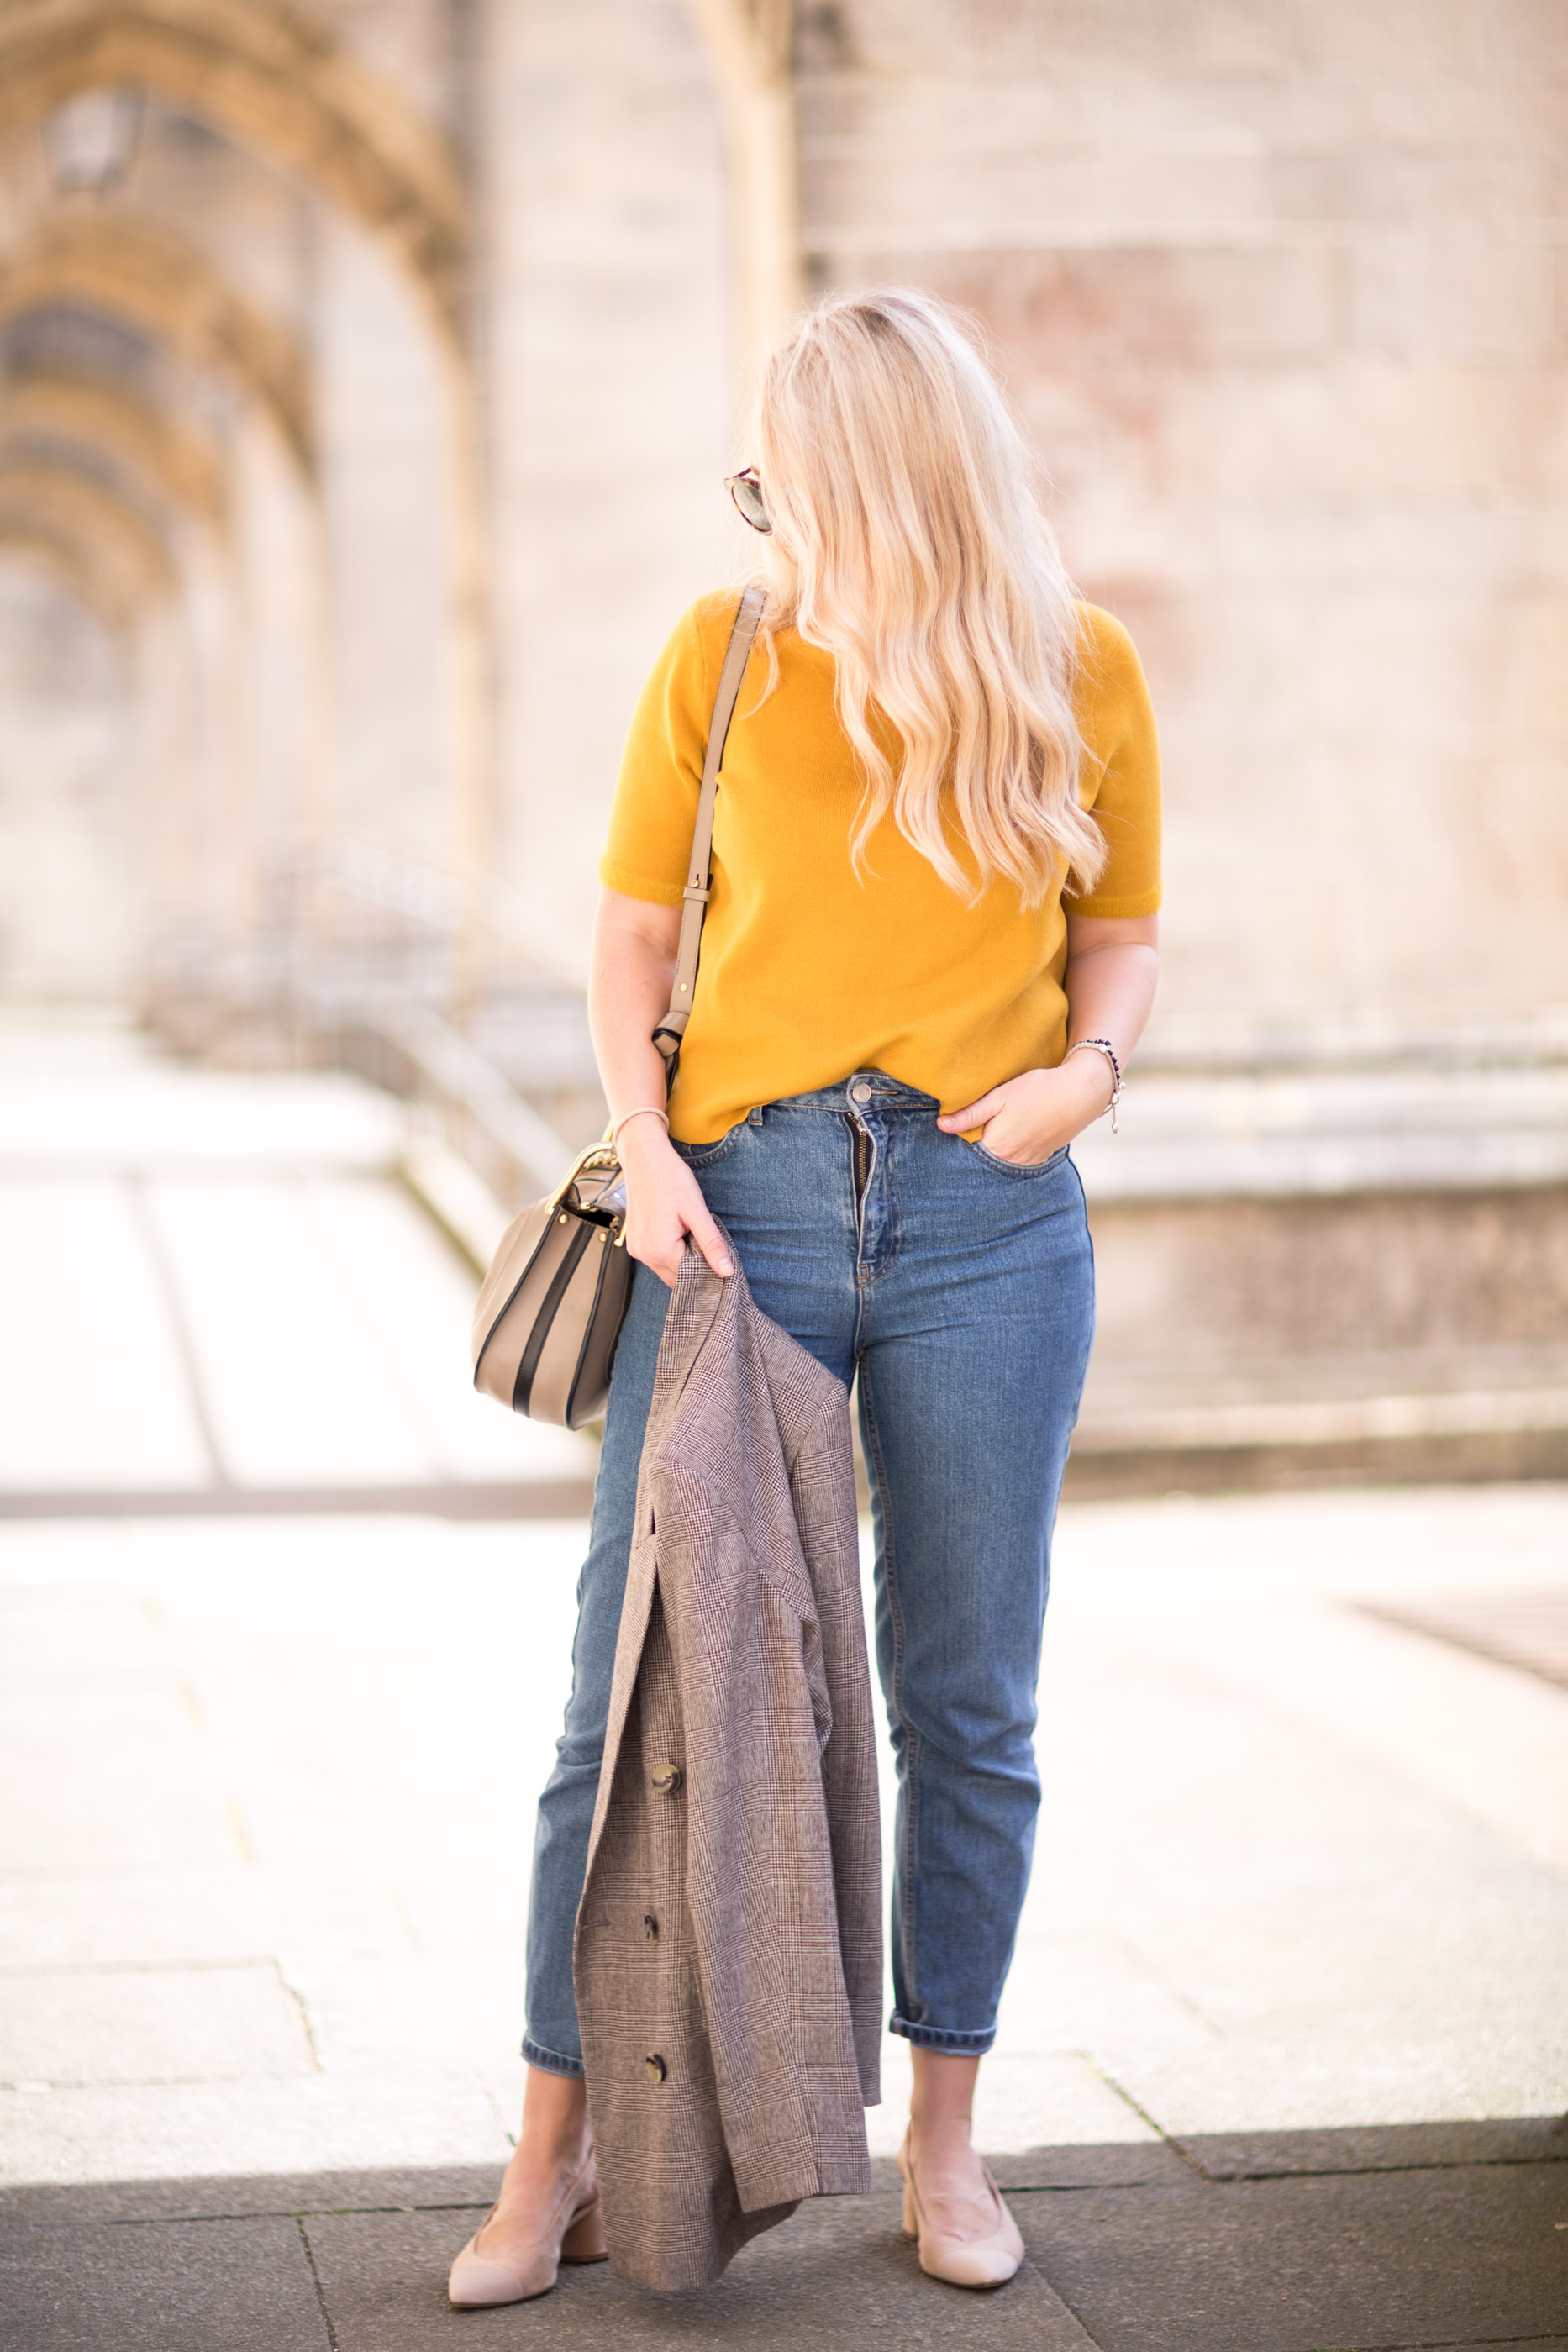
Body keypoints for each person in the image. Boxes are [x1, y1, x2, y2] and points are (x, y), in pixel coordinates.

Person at [450, 286, 1160, 2304]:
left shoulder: (1076, 665)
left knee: (969, 1701)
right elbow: (622, 929)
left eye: (782, 473)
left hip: (986, 1215)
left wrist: (1085, 1082)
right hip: (728, 1214)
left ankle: (943, 2147)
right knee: (626, 1694)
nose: (762, 511)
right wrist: (651, 1149)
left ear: (873, 475)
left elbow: (1122, 933)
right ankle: (549, 2153)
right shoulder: (725, 650)